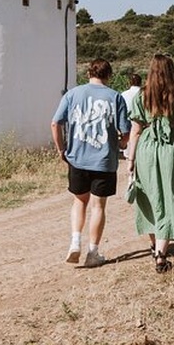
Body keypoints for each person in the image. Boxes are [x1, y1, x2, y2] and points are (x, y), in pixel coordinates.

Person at [51, 58, 131, 268]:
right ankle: (93, 252)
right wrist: (121, 144)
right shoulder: (115, 97)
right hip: (103, 160)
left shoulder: (73, 94)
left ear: (88, 73)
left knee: (79, 201)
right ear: (109, 75)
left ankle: (75, 241)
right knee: (98, 206)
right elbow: (125, 132)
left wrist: (61, 149)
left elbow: (55, 123)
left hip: (77, 158)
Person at [126, 54, 174, 273]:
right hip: (170, 150)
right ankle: (161, 254)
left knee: (149, 198)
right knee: (170, 197)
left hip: (146, 150)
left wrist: (131, 159)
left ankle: (154, 245)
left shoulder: (141, 96)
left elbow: (135, 131)